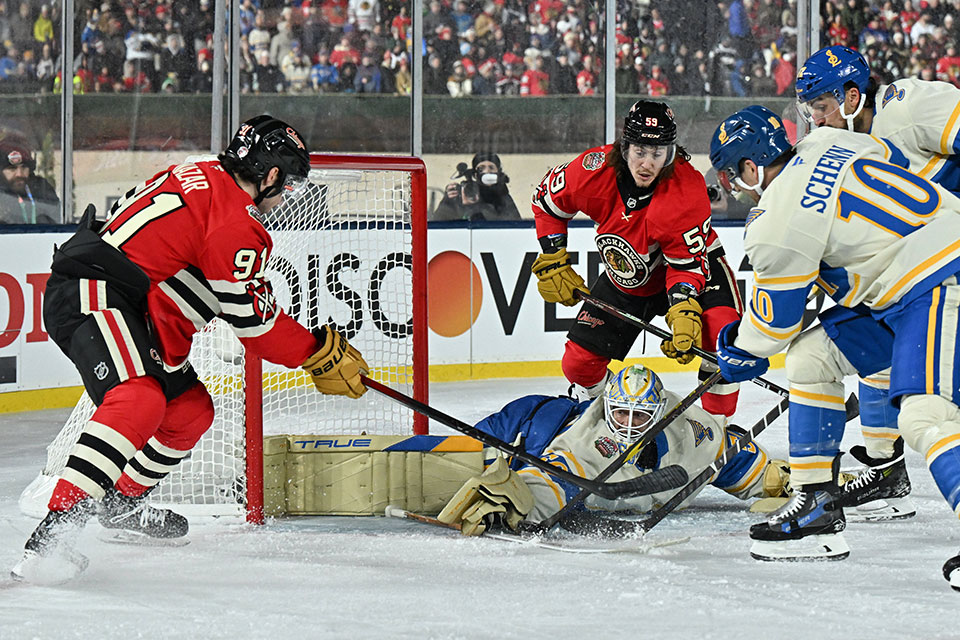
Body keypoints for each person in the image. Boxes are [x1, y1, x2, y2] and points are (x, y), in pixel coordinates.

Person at [11, 115, 369, 583]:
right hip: (94, 292)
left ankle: (121, 502)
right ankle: (54, 534)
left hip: (128, 300)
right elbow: (256, 328)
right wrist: (316, 351)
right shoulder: (234, 223)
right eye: (288, 183)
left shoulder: (203, 175)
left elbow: (186, 273)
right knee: (139, 396)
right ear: (271, 174)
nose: (286, 197)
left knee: (189, 409)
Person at [708, 106, 960, 581]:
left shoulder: (775, 218)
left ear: (750, 166)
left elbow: (773, 325)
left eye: (731, 172)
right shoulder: (829, 140)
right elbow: (895, 164)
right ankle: (816, 507)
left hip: (938, 282)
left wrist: (738, 348)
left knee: (926, 415)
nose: (733, 185)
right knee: (811, 357)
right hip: (908, 282)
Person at [529, 100, 742, 424]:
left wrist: (683, 308)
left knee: (722, 333)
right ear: (624, 146)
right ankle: (598, 421)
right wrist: (554, 257)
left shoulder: (686, 189)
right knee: (578, 363)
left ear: (670, 153)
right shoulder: (591, 171)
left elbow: (685, 265)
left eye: (657, 153)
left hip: (692, 266)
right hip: (630, 279)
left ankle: (716, 431)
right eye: (639, 151)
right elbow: (546, 203)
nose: (646, 163)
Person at [786, 45, 928, 522]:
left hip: (939, 268)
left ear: (852, 95)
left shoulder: (904, 111)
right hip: (904, 279)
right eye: (810, 111)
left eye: (822, 107)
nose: (817, 121)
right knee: (860, 344)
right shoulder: (841, 149)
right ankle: (887, 467)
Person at [437, 364, 791, 533]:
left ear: (659, 412)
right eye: (621, 412)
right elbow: (555, 476)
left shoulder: (691, 433)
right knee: (459, 456)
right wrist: (514, 507)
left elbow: (731, 456)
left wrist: (780, 478)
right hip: (533, 427)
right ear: (607, 407)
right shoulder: (585, 442)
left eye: (640, 416)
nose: (629, 424)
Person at [430, 152, 521, 222]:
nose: (487, 171)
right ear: (475, 175)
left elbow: (513, 224)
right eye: (481, 168)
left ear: (498, 172)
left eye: (491, 167)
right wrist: (448, 201)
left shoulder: (503, 197)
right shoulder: (462, 193)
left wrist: (479, 206)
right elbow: (438, 222)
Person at [0, 138, 60, 224]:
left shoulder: (42, 190)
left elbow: (57, 219)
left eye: (24, 167)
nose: (19, 174)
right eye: (12, 169)